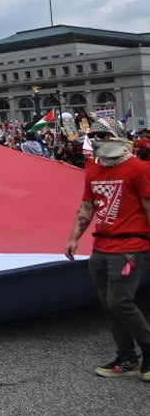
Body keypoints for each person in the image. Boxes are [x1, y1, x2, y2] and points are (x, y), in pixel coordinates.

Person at [64, 118, 150, 381]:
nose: (99, 140)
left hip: (131, 246)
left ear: (118, 138)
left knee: (120, 302)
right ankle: (126, 359)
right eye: (96, 135)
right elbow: (87, 207)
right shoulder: (93, 170)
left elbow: (148, 206)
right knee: (109, 306)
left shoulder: (138, 168)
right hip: (101, 247)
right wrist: (73, 237)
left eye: (104, 135)